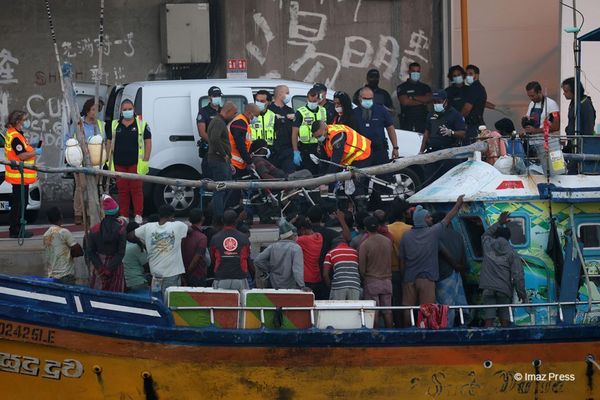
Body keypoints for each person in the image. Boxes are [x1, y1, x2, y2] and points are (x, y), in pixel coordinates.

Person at [399, 195, 464, 327]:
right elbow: (448, 218)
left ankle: (407, 330)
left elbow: (402, 260)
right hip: (427, 279)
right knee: (428, 308)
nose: (431, 218)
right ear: (422, 220)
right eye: (428, 217)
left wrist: (403, 277)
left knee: (408, 307)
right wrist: (458, 204)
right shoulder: (433, 232)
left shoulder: (406, 235)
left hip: (409, 278)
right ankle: (426, 332)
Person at [106, 99, 152, 224]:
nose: (127, 111)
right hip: (119, 163)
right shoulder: (115, 124)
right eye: (125, 109)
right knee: (122, 190)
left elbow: (148, 141)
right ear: (121, 111)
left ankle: (138, 214)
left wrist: (146, 158)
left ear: (134, 109)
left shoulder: (141, 124)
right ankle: (124, 215)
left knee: (136, 189)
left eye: (129, 109)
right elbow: (109, 142)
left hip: (135, 163)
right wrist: (107, 159)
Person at [311, 121, 372, 212]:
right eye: (316, 137)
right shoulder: (324, 136)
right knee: (341, 185)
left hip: (361, 154)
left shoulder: (337, 136)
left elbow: (336, 160)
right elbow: (325, 159)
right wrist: (323, 176)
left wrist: (327, 179)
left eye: (319, 136)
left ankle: (361, 211)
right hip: (348, 160)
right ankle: (344, 212)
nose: (318, 138)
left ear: (325, 129)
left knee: (357, 183)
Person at [480, 211, 528, 327]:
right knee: (505, 315)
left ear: (496, 236)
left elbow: (485, 235)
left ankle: (486, 338)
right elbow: (518, 276)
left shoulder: (487, 245)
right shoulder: (512, 253)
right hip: (503, 289)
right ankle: (505, 338)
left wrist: (499, 223)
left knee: (489, 316)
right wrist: (522, 294)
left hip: (488, 287)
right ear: (509, 238)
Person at [133, 205, 189, 300]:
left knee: (156, 300)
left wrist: (143, 242)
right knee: (171, 302)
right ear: (172, 216)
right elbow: (190, 229)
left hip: (156, 274)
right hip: (171, 274)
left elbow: (131, 235)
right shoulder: (177, 225)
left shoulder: (148, 227)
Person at [5, 111, 40, 239]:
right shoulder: (15, 136)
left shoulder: (16, 134)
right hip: (19, 176)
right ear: (18, 121)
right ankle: (16, 230)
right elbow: (21, 155)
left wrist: (32, 148)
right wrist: (35, 151)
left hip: (20, 176)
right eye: (24, 120)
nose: (26, 122)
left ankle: (17, 229)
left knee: (19, 204)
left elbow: (22, 150)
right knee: (19, 205)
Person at [419, 90, 466, 181]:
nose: (436, 104)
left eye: (439, 102)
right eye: (434, 102)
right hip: (433, 152)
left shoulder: (455, 114)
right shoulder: (431, 114)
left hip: (449, 154)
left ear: (445, 101)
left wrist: (451, 132)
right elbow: (426, 133)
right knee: (429, 181)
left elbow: (463, 133)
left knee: (450, 181)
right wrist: (421, 151)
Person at [71, 98, 105, 225]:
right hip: (81, 160)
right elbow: (70, 140)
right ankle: (78, 213)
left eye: (98, 110)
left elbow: (105, 142)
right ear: (87, 110)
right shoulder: (79, 124)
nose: (95, 112)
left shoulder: (100, 124)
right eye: (93, 109)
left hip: (96, 162)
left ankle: (92, 213)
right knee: (82, 187)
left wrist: (104, 159)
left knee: (94, 187)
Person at [431, 212, 468, 328]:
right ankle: (462, 326)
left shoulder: (435, 235)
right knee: (458, 303)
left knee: (445, 306)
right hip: (457, 274)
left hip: (443, 274)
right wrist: (460, 268)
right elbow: (463, 256)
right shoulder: (458, 235)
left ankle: (446, 329)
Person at [86, 195, 127, 292]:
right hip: (115, 266)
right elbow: (121, 253)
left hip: (99, 266)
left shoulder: (94, 230)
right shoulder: (121, 230)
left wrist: (100, 268)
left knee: (97, 295)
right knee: (116, 296)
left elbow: (90, 252)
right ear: (116, 212)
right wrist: (108, 269)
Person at [359, 216, 393, 328]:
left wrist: (364, 276)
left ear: (365, 228)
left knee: (373, 312)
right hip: (387, 281)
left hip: (372, 280)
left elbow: (362, 268)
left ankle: (376, 337)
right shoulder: (388, 241)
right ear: (378, 227)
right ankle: (391, 337)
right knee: (387, 312)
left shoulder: (365, 244)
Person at [207, 101, 238, 221]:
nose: (235, 116)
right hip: (218, 160)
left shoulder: (218, 121)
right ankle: (219, 217)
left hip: (222, 161)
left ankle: (217, 211)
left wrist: (229, 163)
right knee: (221, 189)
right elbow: (214, 139)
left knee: (227, 187)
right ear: (228, 111)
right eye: (234, 113)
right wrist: (224, 154)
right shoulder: (218, 122)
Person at [254, 219, 305, 289]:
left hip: (274, 285)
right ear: (291, 235)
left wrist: (269, 268)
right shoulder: (296, 248)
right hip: (290, 287)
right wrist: (302, 286)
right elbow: (297, 270)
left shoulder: (273, 246)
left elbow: (257, 260)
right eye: (295, 234)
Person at [210, 209, 252, 291]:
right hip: (240, 279)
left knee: (220, 303)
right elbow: (247, 257)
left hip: (221, 278)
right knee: (241, 303)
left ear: (222, 221)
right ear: (236, 221)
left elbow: (213, 259)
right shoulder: (244, 238)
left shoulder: (215, 238)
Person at [562, 77, 597, 173]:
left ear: (574, 90)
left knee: (572, 170)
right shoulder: (574, 103)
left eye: (566, 91)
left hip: (581, 146)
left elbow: (588, 129)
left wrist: (580, 145)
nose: (564, 94)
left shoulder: (585, 105)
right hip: (572, 144)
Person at [387, 199, 413, 326]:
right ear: (404, 213)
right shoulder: (410, 229)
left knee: (395, 301)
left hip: (392, 271)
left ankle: (398, 324)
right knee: (409, 301)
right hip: (409, 271)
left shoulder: (387, 230)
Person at [43, 207, 84, 285]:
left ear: (48, 219)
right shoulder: (63, 232)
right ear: (61, 216)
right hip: (66, 274)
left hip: (52, 276)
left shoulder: (45, 235)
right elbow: (79, 251)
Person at [292, 88, 327, 172]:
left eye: (314, 101)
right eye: (310, 101)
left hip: (321, 145)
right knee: (308, 171)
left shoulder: (323, 111)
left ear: (318, 99)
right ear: (307, 99)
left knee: (321, 170)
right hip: (306, 148)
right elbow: (294, 133)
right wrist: (295, 151)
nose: (312, 103)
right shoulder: (300, 112)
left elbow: (327, 128)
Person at [295, 216, 326, 299]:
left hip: (306, 278)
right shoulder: (319, 237)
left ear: (302, 229)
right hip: (317, 276)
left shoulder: (302, 240)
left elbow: (287, 239)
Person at [396, 62, 432, 133]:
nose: (416, 73)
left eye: (418, 71)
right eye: (413, 71)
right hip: (407, 121)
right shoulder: (402, 87)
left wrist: (412, 97)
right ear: (409, 72)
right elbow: (405, 102)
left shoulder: (425, 87)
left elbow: (429, 99)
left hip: (423, 120)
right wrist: (422, 101)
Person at [323, 236, 361, 301]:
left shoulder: (331, 252)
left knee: (339, 309)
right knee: (354, 310)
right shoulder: (355, 252)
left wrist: (330, 285)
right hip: (355, 285)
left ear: (334, 245)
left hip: (339, 285)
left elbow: (325, 274)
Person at [197, 86, 223, 179]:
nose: (217, 97)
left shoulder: (223, 111)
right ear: (209, 97)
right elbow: (202, 132)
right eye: (215, 95)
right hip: (210, 150)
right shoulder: (203, 112)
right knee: (209, 178)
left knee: (222, 177)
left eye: (219, 95)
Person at [269, 85, 296, 174]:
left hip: (288, 150)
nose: (289, 95)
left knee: (289, 175)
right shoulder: (270, 110)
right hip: (273, 150)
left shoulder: (290, 110)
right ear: (280, 94)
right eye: (287, 93)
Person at [181, 208, 209, 287]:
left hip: (183, 273)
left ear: (189, 219)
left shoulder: (183, 234)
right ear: (202, 218)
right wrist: (188, 272)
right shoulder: (202, 237)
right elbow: (197, 257)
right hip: (197, 275)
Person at [123, 221, 150, 296]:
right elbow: (148, 267)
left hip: (126, 282)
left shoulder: (123, 244)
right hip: (137, 282)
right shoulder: (136, 247)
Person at [463, 65, 488, 141]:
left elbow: (467, 108)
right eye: (466, 74)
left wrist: (457, 120)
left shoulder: (474, 88)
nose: (468, 76)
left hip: (473, 125)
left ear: (476, 75)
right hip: (477, 124)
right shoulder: (478, 88)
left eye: (470, 74)